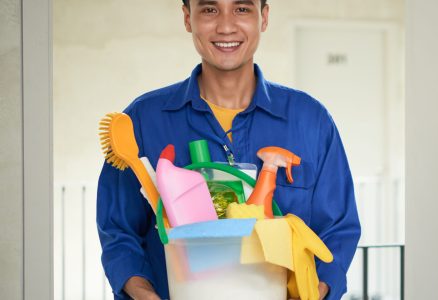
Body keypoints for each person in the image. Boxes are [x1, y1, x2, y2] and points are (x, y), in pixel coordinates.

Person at [96, 0, 361, 299]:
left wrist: (317, 290)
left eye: (242, 9)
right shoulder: (143, 121)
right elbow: (118, 232)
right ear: (187, 18)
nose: (225, 26)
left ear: (264, 17)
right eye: (210, 9)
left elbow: (338, 230)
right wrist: (144, 293)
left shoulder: (310, 121)